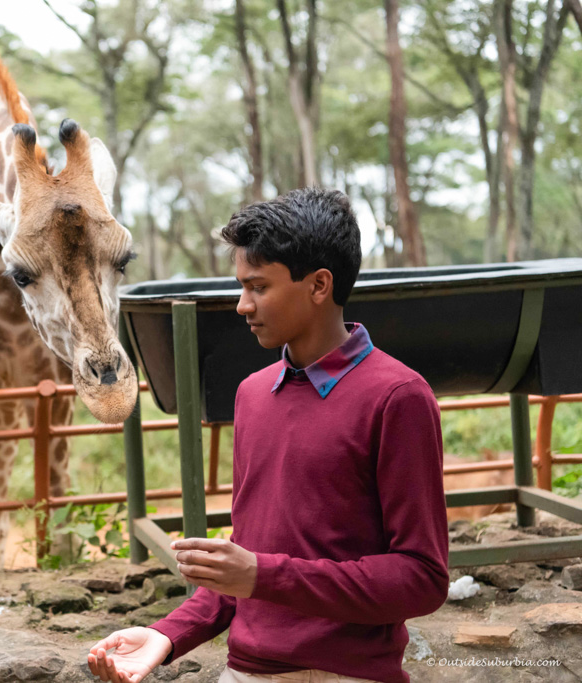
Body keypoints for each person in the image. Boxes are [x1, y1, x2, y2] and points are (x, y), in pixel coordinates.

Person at [87, 188, 449, 683]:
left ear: (319, 285)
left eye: (258, 287)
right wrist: (168, 635)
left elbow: (421, 579)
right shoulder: (253, 395)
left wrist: (263, 574)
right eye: (241, 285)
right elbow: (250, 564)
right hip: (244, 673)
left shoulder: (398, 398)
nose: (242, 305)